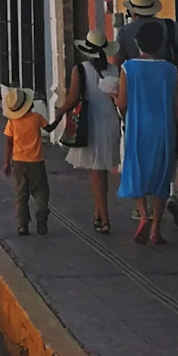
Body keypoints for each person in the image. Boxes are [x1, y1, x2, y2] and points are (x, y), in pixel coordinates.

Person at [115, 0, 178, 226]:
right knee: (168, 156)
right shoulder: (169, 27)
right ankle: (171, 196)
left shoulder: (126, 34)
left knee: (139, 159)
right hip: (166, 103)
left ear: (133, 11)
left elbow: (116, 62)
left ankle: (143, 210)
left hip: (138, 109)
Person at [54, 32, 122, 235]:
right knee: (102, 171)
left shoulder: (80, 70)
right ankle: (98, 212)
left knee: (96, 173)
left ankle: (105, 219)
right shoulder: (114, 70)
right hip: (110, 122)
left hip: (92, 122)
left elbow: (73, 98)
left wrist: (58, 115)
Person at [0, 87, 50, 235]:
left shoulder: (12, 122)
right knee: (41, 189)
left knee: (21, 193)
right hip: (37, 161)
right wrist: (60, 115)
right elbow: (50, 128)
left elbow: (9, 142)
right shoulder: (36, 118)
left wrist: (6, 163)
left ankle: (23, 225)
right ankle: (41, 209)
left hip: (18, 162)